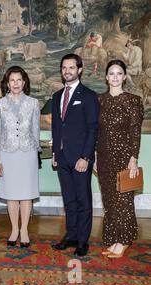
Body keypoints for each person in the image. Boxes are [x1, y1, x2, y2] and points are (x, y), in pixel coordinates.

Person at [51, 54, 99, 257]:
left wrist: (86, 157)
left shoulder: (88, 95)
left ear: (79, 70)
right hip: (62, 157)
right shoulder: (56, 96)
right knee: (69, 200)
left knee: (83, 200)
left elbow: (92, 128)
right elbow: (56, 127)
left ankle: (82, 241)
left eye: (71, 67)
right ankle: (71, 236)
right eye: (64, 67)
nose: (67, 71)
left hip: (80, 158)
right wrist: (55, 153)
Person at [96, 59, 144, 258]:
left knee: (123, 199)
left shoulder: (132, 100)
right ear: (106, 77)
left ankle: (123, 241)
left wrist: (133, 158)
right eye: (111, 73)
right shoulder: (99, 100)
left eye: (119, 73)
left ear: (124, 77)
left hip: (124, 156)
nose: (115, 77)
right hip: (104, 157)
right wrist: (95, 154)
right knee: (109, 200)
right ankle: (114, 238)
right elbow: (96, 131)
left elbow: (135, 131)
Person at [0, 66, 41, 248]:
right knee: (11, 195)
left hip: (28, 154)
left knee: (26, 195)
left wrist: (37, 156)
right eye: (12, 80)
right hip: (7, 154)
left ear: (24, 82)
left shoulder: (34, 103)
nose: (16, 83)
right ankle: (14, 229)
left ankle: (25, 230)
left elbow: (35, 131)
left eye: (19, 80)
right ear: (7, 83)